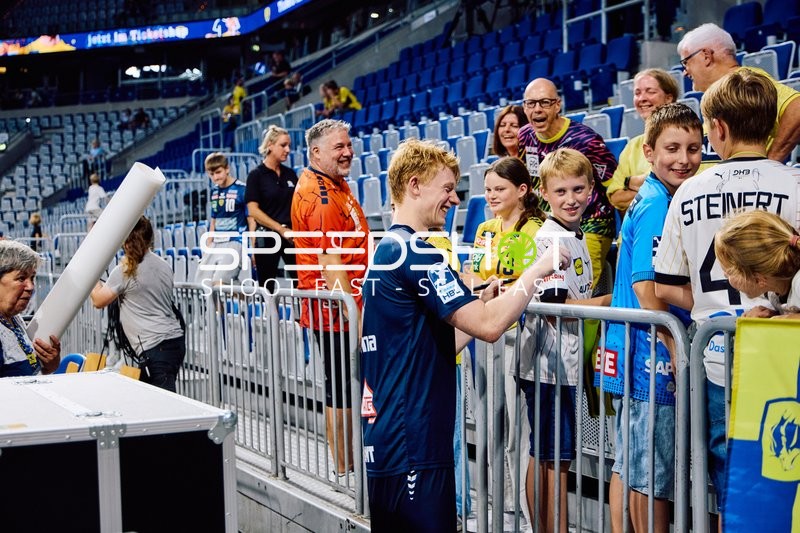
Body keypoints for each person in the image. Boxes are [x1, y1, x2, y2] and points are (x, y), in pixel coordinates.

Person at [361, 138, 569, 531]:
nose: (455, 200)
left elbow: (433, 345)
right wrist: (537, 270)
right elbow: (490, 327)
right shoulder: (418, 252)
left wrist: (483, 305)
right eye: (446, 189)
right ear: (415, 184)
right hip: (415, 446)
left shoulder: (388, 250)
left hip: (391, 442)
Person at [654, 69, 800, 521]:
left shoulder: (689, 191)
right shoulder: (794, 185)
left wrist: (706, 305)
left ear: (717, 129)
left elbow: (664, 283)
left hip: (718, 356)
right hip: (786, 359)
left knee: (726, 483)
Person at [599, 103, 702, 533]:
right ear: (650, 151)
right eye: (672, 148)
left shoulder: (656, 197)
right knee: (652, 479)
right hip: (648, 359)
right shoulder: (659, 205)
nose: (684, 159)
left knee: (634, 469)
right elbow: (647, 290)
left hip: (634, 354)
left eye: (694, 148)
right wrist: (679, 346)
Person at [517, 148, 612, 533]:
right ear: (544, 193)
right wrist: (611, 301)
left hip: (562, 364)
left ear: (591, 189)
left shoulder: (577, 235)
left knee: (549, 454)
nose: (571, 199)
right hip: (548, 365)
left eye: (578, 189)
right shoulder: (551, 239)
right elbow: (559, 305)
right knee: (553, 457)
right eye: (561, 192)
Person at [465, 156, 545, 526]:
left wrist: (502, 291)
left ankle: (522, 506)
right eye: (488, 190)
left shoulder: (536, 230)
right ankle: (498, 497)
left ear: (522, 190)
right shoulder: (484, 229)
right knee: (488, 420)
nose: (492, 196)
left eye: (500, 189)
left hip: (519, 334)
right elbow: (475, 276)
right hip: (483, 331)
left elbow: (532, 285)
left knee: (518, 427)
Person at [291, 119, 367, 476]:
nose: (347, 151)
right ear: (316, 153)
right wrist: (353, 315)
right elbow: (331, 263)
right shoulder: (320, 196)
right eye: (338, 147)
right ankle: (344, 469)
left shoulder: (335, 184)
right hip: (335, 311)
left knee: (343, 385)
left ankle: (346, 466)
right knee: (340, 387)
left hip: (341, 306)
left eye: (348, 144)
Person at [518, 78, 618, 290]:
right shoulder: (525, 136)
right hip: (552, 221)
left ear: (557, 105)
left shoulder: (586, 140)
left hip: (592, 221)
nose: (537, 109)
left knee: (581, 288)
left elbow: (615, 184)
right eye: (530, 103)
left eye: (544, 102)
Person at [678, 22, 800, 163]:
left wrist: (769, 164)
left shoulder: (747, 84)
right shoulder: (717, 96)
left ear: (706, 56)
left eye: (685, 62)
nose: (684, 72)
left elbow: (797, 110)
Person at [90, 216, 185, 392]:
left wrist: (92, 275)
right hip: (173, 341)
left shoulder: (125, 271)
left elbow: (98, 300)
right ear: (150, 238)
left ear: (124, 242)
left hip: (155, 346)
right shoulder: (163, 264)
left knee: (163, 404)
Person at [606, 69, 679, 211]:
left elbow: (678, 188)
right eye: (637, 93)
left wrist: (631, 183)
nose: (642, 98)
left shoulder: (684, 139)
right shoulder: (632, 146)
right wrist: (656, 187)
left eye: (650, 92)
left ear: (669, 98)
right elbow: (615, 196)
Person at [715, 210, 800, 320]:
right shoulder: (774, 292)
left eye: (730, 272)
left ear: (759, 279)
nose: (725, 275)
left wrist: (786, 320)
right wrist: (772, 316)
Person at [245, 125, 298, 293]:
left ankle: (302, 319)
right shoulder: (256, 175)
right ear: (270, 146)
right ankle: (269, 319)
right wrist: (279, 229)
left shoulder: (290, 174)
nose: (288, 150)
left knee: (301, 281)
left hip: (291, 235)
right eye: (283, 145)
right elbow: (253, 211)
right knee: (266, 287)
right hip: (267, 236)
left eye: (289, 145)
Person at [0, 240, 61, 377]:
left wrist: (49, 365)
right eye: (21, 278)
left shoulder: (14, 319)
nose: (31, 286)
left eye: (32, 278)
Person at [197, 152, 248, 287]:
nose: (215, 177)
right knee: (203, 284)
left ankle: (250, 298)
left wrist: (251, 246)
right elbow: (214, 219)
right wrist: (209, 242)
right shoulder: (214, 192)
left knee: (220, 283)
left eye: (218, 172)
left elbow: (251, 219)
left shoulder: (242, 189)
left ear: (227, 169)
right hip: (216, 243)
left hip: (235, 241)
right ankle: (218, 309)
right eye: (211, 174)